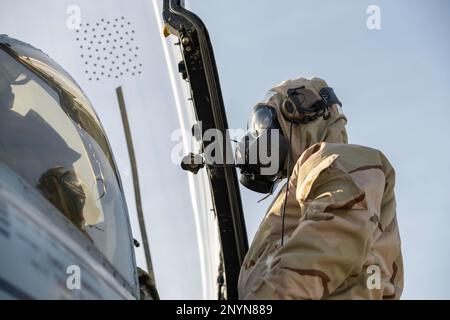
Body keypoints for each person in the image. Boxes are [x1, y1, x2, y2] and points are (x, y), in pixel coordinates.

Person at [236, 77, 403, 299]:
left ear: (297, 111)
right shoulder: (303, 184)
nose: (259, 136)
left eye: (263, 122)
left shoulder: (335, 161)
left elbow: (327, 244)